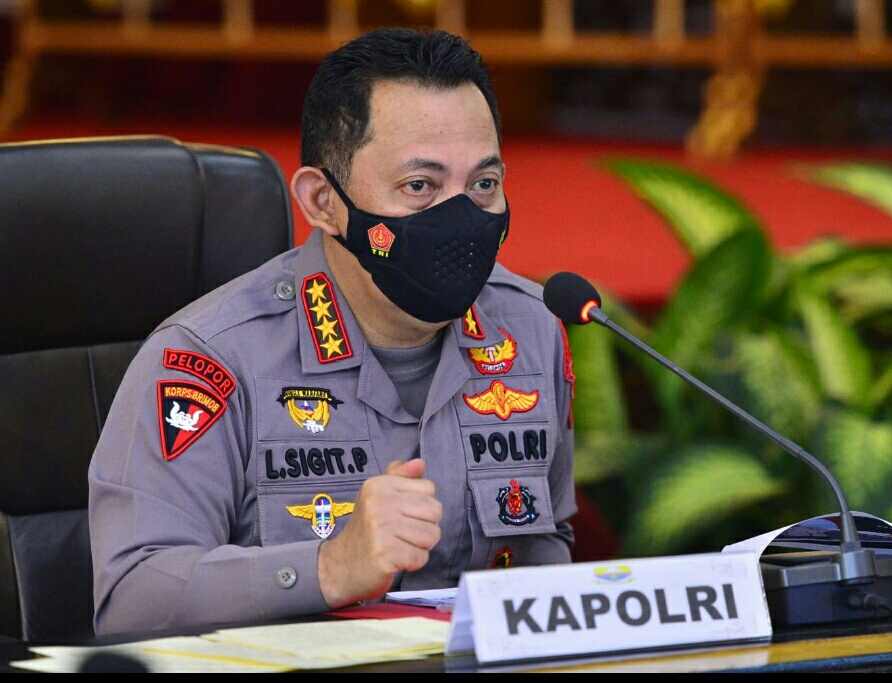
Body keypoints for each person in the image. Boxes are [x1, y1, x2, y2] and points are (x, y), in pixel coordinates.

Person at [88, 27, 577, 635]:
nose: (461, 218)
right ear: (323, 201)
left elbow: (547, 552)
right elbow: (131, 599)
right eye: (419, 187)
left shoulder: (530, 331)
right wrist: (327, 567)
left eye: (483, 184)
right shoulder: (211, 360)